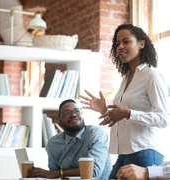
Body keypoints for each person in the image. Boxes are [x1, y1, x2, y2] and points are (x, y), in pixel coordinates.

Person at [80, 23, 169, 179]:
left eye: (126, 41)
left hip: (145, 151)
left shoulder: (152, 76)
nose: (120, 47)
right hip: (125, 153)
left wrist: (128, 113)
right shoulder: (126, 78)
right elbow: (124, 117)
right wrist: (103, 111)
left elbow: (162, 119)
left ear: (141, 44)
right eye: (117, 44)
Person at [27, 99, 112, 179]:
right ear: (60, 123)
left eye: (77, 111)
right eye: (67, 113)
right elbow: (54, 176)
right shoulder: (53, 143)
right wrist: (66, 172)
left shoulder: (97, 134)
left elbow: (92, 172)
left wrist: (59, 173)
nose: (73, 115)